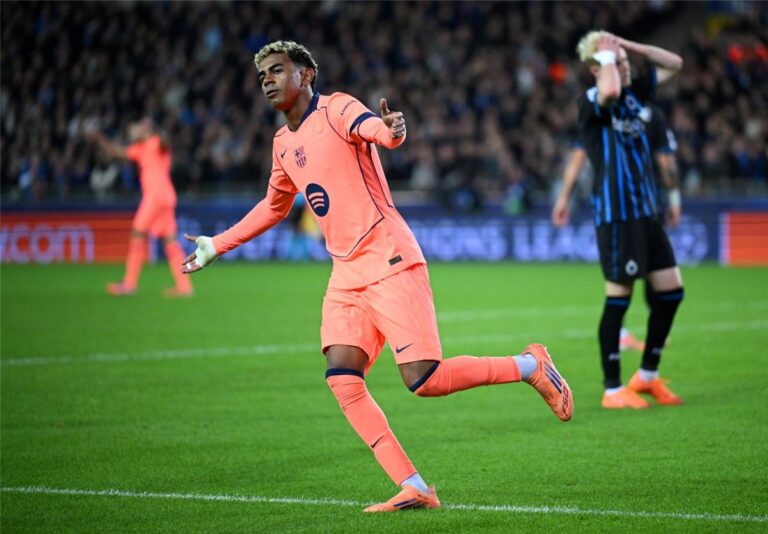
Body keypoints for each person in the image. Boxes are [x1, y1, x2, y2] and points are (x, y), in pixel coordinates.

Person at [180, 41, 573, 512]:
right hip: (346, 272)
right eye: (262, 74)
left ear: (306, 75)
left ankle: (530, 366)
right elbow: (273, 206)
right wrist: (218, 243)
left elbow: (374, 129)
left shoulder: (337, 108)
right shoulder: (282, 143)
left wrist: (390, 131)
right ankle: (414, 486)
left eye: (277, 70)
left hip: (388, 256)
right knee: (342, 377)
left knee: (424, 379)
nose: (267, 80)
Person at [552, 30, 685, 410]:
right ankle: (612, 389)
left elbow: (674, 63)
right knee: (619, 299)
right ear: (596, 68)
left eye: (625, 62)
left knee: (672, 292)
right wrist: (608, 57)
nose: (626, 67)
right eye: (616, 63)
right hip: (617, 217)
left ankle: (647, 376)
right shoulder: (591, 101)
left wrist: (627, 46)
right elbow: (609, 90)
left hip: (647, 214)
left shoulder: (636, 97)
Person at [552, 101, 682, 354]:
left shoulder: (610, 114)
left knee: (643, 275)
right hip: (633, 209)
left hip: (630, 209)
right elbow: (666, 161)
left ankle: (646, 338)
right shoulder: (638, 115)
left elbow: (577, 159)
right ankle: (634, 338)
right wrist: (675, 200)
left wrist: (563, 198)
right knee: (642, 274)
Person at [89, 119, 193, 297]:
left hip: (155, 197)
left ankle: (129, 284)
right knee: (170, 241)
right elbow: (116, 152)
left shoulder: (155, 142)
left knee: (137, 233)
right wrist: (100, 139)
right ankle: (184, 286)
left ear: (145, 130)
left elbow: (165, 139)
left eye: (135, 130)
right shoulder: (140, 149)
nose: (132, 133)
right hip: (166, 196)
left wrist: (150, 128)